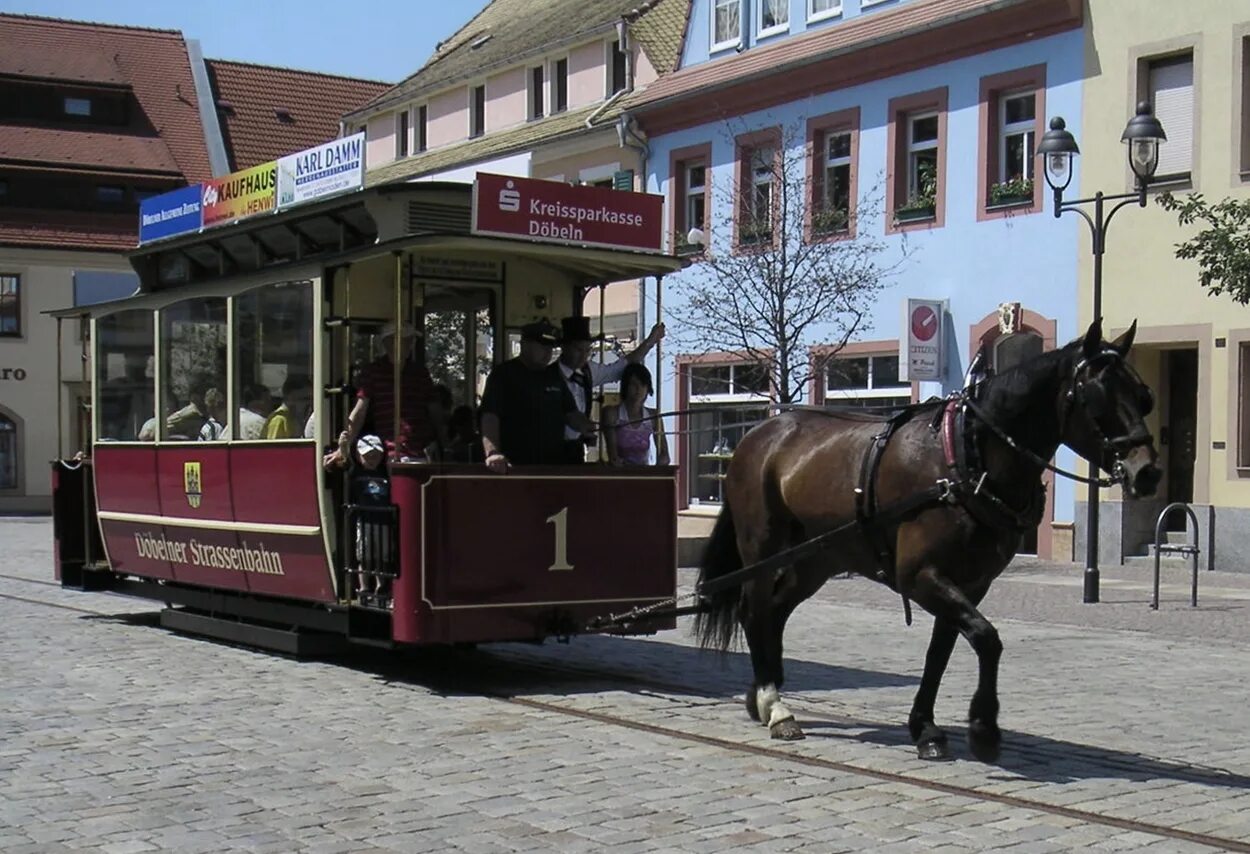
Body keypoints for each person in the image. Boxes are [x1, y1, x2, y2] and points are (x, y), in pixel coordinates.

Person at [479, 320, 594, 472]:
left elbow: (570, 412)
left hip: (553, 466)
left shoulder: (553, 376)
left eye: (551, 347)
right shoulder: (504, 375)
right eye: (542, 346)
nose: (548, 352)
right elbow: (490, 416)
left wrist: (586, 425)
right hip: (515, 466)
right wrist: (492, 452)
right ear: (524, 344)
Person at [555, 316, 665, 464]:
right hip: (552, 448)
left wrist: (651, 341)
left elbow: (621, 367)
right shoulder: (550, 376)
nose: (584, 356)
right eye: (579, 350)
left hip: (576, 449)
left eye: (587, 350)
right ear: (565, 347)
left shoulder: (589, 371)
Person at [341, 320, 446, 462]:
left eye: (410, 341)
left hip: (422, 451)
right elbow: (359, 412)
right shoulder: (373, 372)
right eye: (406, 340)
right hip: (389, 453)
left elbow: (435, 411)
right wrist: (343, 447)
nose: (410, 345)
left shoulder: (420, 373)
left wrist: (445, 444)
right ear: (389, 343)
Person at [603, 363, 670, 466]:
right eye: (634, 384)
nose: (639, 389)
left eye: (643, 385)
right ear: (626, 386)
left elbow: (664, 453)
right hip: (619, 474)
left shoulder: (653, 416)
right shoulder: (612, 414)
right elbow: (613, 455)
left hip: (644, 474)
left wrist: (658, 466)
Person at [263, 375, 312, 440]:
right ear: (289, 398)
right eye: (304, 399)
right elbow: (274, 448)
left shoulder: (297, 418)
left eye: (311, 399)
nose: (309, 403)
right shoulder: (279, 420)